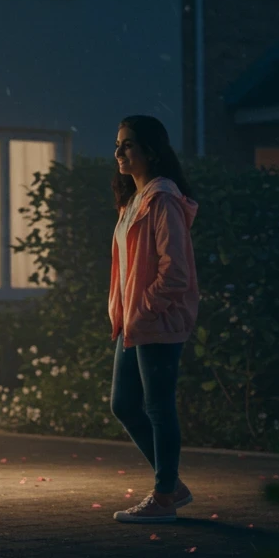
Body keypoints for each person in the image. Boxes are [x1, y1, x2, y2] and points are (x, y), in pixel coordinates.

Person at [108, 115, 200, 524]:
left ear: (151, 149)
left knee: (159, 407)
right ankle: (172, 486)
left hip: (156, 320)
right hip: (135, 322)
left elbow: (175, 270)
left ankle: (164, 496)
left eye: (128, 145)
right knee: (124, 404)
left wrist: (144, 307)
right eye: (118, 145)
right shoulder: (133, 201)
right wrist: (123, 310)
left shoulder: (162, 199)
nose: (119, 153)